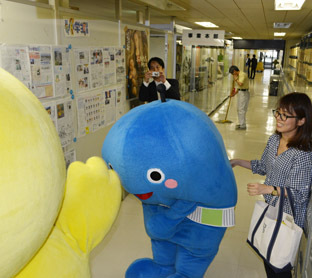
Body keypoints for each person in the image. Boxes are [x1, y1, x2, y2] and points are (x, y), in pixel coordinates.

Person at [230, 92, 312, 278]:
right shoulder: (275, 140)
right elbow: (263, 166)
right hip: (272, 209)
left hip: (288, 216)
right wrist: (237, 161)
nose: (279, 119)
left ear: (301, 121)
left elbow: (299, 194)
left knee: (279, 266)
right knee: (269, 258)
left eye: (285, 115)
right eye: (278, 113)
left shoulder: (303, 154)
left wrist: (269, 189)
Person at [229, 65, 249, 130]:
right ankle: (241, 123)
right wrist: (234, 94)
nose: (233, 75)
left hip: (244, 93)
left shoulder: (242, 75)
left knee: (241, 109)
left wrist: (236, 79)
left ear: (234, 71)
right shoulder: (239, 76)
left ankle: (243, 125)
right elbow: (239, 88)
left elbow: (240, 84)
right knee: (239, 109)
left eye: (232, 73)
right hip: (241, 92)